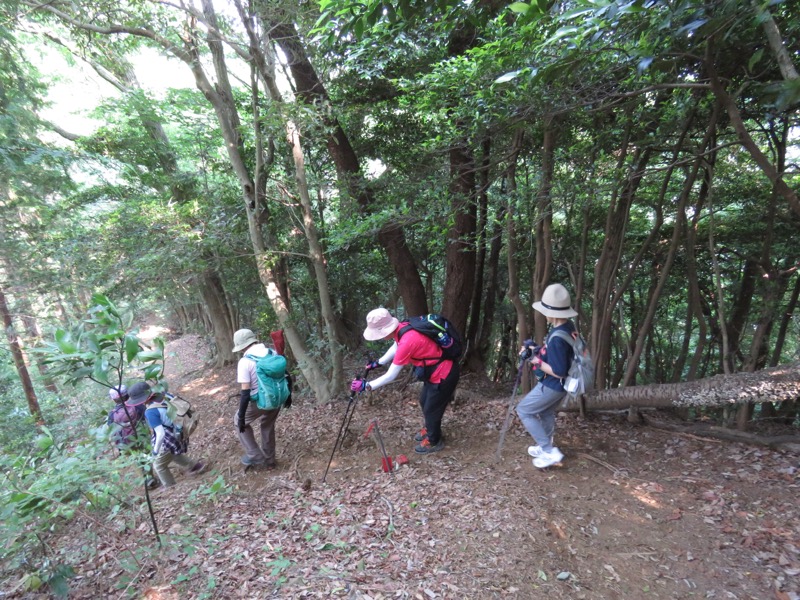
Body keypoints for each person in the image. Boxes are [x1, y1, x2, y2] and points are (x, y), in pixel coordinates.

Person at [350, 308, 460, 454]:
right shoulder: (403, 328)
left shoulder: (408, 341)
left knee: (431, 409)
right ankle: (430, 428)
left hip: (444, 373)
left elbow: (391, 375)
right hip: (433, 373)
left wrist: (367, 386)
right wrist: (379, 363)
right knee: (424, 401)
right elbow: (396, 346)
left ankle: (434, 441)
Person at [516, 283, 577, 469]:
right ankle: (546, 446)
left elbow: (559, 370)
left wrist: (534, 359)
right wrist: (537, 349)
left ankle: (549, 452)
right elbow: (558, 354)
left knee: (524, 410)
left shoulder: (557, 337)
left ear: (553, 313)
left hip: (553, 384)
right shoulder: (567, 327)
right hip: (562, 385)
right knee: (545, 411)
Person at [127, 381, 205, 487]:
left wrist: (155, 452)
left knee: (159, 465)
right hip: (179, 430)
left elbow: (161, 434)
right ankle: (196, 466)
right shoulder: (163, 395)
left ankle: (170, 486)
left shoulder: (150, 411)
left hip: (170, 438)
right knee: (172, 455)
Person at [232, 328, 283, 468]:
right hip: (277, 397)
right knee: (267, 424)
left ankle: (256, 456)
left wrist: (241, 416)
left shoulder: (245, 362)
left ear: (242, 346)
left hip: (260, 401)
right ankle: (270, 460)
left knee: (238, 421)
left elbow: (245, 392)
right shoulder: (271, 352)